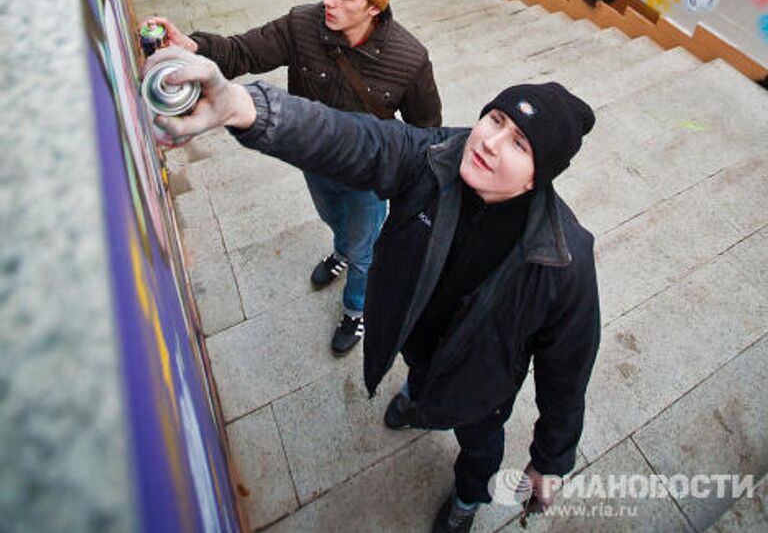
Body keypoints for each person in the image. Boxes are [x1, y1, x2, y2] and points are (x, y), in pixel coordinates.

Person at [144, 48, 600, 532]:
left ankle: (467, 499)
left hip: (479, 389)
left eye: (519, 145)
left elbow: (567, 373)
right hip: (413, 337)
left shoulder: (562, 259)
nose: (489, 142)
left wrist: (550, 460)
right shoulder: (433, 160)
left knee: (480, 446)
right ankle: (412, 396)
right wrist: (239, 106)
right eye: (495, 119)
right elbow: (355, 138)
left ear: (537, 179)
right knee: (419, 373)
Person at [141, 0, 442, 355]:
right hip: (315, 163)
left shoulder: (409, 59)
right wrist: (194, 47)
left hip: (368, 177)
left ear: (373, 8)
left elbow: (427, 132)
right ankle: (341, 250)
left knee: (367, 248)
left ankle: (357, 309)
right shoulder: (303, 24)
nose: (328, 1)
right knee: (333, 218)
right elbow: (241, 51)